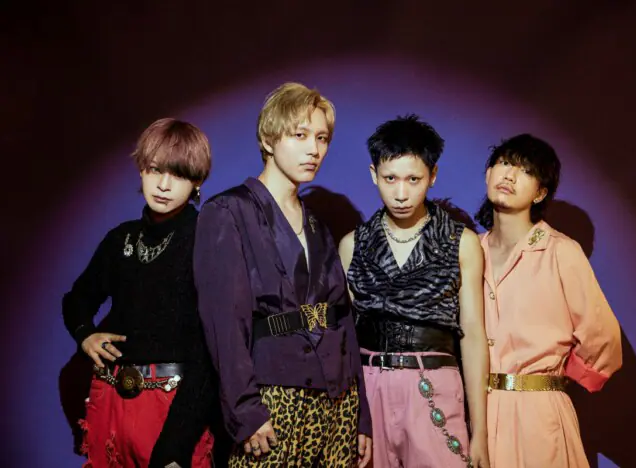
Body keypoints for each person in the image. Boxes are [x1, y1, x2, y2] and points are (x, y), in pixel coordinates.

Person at [193, 82, 372, 467]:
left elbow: (343, 321)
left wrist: (362, 417)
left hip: (339, 402)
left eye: (322, 138)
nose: (314, 150)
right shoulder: (228, 212)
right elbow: (224, 325)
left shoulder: (318, 226)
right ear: (268, 139)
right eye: (300, 135)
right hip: (273, 402)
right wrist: (245, 410)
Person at [62, 118, 216, 468]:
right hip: (108, 401)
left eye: (178, 174)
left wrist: (176, 443)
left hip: (172, 407)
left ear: (197, 181)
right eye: (155, 169)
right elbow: (76, 299)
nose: (163, 185)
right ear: (142, 169)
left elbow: (210, 352)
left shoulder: (207, 238)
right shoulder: (121, 239)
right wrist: (85, 334)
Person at [339, 114, 490, 468]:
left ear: (432, 175)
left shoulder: (461, 243)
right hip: (368, 389)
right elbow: (342, 338)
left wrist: (480, 430)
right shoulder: (352, 245)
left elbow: (473, 335)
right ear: (374, 174)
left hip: (433, 385)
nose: (401, 193)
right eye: (390, 178)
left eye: (413, 179)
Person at [475, 133, 623, 467]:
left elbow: (603, 338)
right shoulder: (470, 251)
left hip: (538, 414)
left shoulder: (561, 251)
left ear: (540, 192)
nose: (510, 175)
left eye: (526, 171)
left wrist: (555, 375)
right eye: (504, 163)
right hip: (476, 414)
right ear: (488, 173)